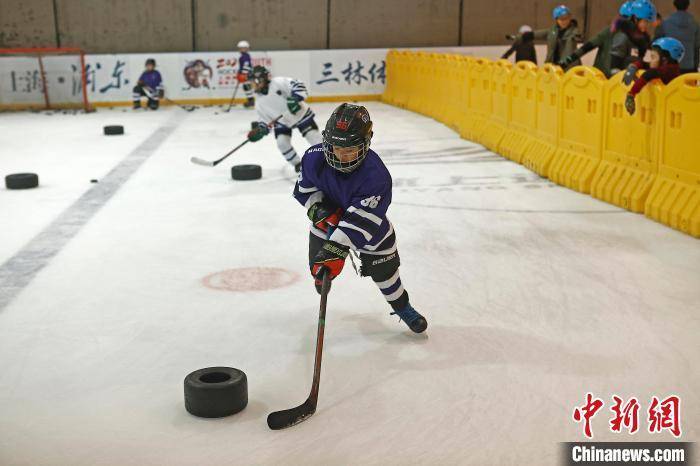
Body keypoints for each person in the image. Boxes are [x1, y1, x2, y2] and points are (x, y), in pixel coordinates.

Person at [293, 103, 427, 333]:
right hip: (327, 225)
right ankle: (321, 274)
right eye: (336, 148)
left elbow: (360, 222)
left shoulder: (377, 176)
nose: (342, 156)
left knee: (386, 276)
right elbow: (304, 190)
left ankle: (402, 306)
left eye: (350, 150)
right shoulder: (313, 158)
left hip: (370, 231)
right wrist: (319, 210)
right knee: (318, 267)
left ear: (365, 144)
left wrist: (334, 249)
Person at [246, 66, 322, 172]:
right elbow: (264, 120)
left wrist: (296, 98)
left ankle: (329, 159)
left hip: (301, 115)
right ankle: (298, 164)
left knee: (313, 137)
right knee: (282, 143)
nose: (252, 85)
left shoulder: (278, 82)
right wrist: (261, 129)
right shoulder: (259, 102)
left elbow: (298, 84)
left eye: (253, 81)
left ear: (260, 79)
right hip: (283, 123)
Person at [559, 0, 656, 77]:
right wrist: (567, 60)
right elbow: (588, 46)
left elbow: (634, 61)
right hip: (603, 77)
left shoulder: (638, 38)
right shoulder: (611, 32)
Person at [623, 37, 684, 114]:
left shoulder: (670, 69)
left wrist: (631, 94)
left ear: (664, 60)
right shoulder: (661, 65)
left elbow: (648, 74)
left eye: (653, 57)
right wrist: (633, 67)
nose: (650, 61)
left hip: (672, 109)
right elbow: (645, 64)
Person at [510, 5, 581, 68]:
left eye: (567, 18)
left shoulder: (574, 31)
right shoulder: (552, 31)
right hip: (552, 66)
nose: (564, 21)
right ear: (556, 19)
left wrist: (564, 63)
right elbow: (534, 34)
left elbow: (570, 46)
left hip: (569, 66)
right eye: (561, 19)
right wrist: (516, 37)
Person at [655, 0, 700, 73]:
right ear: (688, 6)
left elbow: (657, 45)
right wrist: (695, 67)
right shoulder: (695, 24)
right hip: (689, 66)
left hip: (670, 66)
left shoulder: (665, 23)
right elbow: (697, 47)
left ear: (674, 6)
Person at [236, 40, 255, 108]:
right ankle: (250, 100)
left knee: (247, 87)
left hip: (247, 74)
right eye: (240, 48)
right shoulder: (244, 56)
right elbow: (242, 66)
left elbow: (246, 65)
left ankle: (251, 101)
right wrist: (239, 72)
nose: (241, 49)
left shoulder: (245, 56)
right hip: (246, 73)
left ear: (246, 48)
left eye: (242, 48)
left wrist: (243, 74)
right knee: (246, 87)